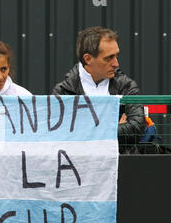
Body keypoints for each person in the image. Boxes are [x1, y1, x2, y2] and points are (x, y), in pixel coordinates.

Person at [52, 26, 145, 154]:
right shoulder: (64, 91)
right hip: (77, 168)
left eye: (116, 56)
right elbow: (62, 135)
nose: (116, 63)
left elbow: (136, 128)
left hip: (122, 167)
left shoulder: (126, 86)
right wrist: (115, 128)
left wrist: (87, 131)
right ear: (88, 59)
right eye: (109, 58)